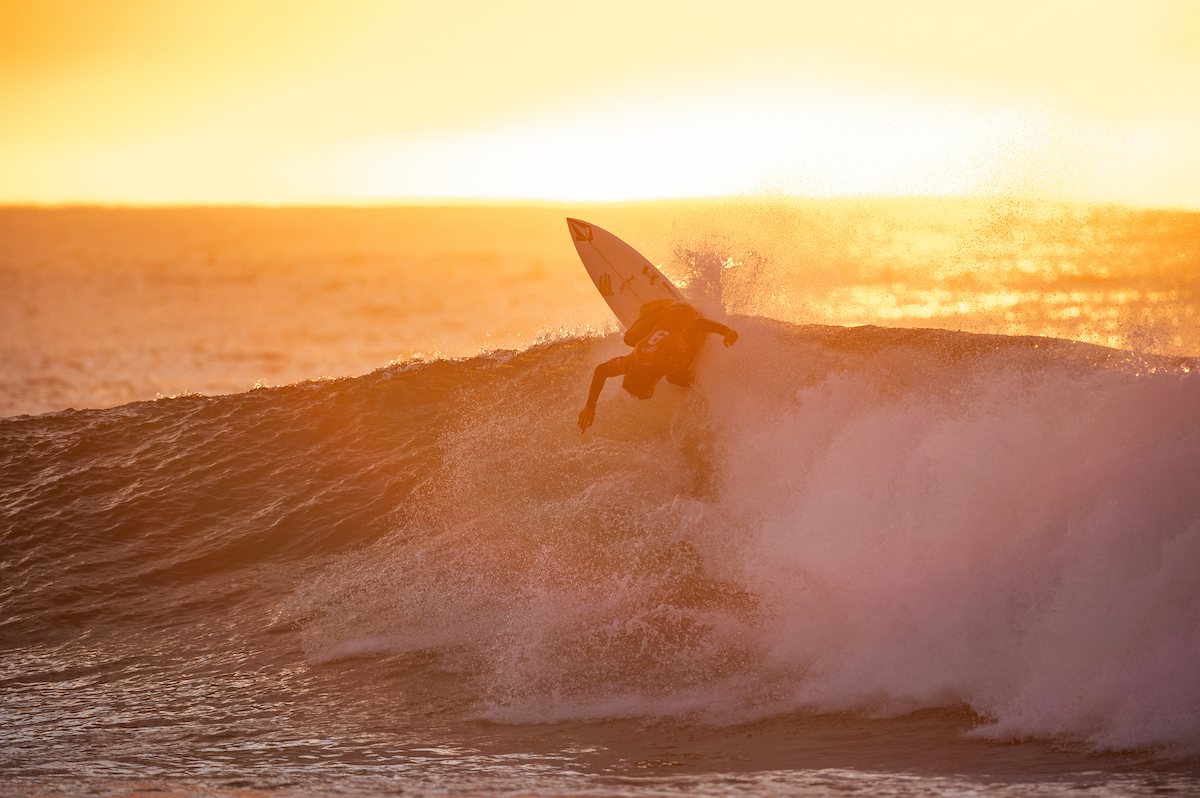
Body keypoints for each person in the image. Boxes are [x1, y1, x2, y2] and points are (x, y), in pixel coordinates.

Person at [578, 300, 738, 432]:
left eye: (640, 394)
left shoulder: (672, 355)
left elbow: (698, 323)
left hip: (688, 312)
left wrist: (726, 331)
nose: (640, 398)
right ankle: (658, 311)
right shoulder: (632, 362)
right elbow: (601, 370)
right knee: (629, 339)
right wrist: (590, 407)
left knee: (674, 376)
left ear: (650, 383)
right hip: (668, 315)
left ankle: (706, 389)